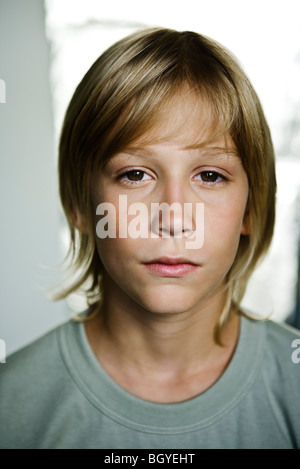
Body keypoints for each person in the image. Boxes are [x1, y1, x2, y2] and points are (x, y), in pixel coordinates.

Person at [1, 27, 300, 450]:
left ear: (251, 208)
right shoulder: (12, 405)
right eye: (135, 174)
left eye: (210, 176)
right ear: (80, 205)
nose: (174, 218)